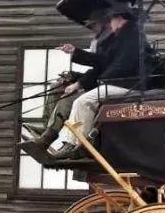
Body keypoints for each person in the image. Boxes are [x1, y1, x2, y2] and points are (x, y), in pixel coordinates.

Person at [46, 6, 154, 161]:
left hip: (129, 86)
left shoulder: (130, 38)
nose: (110, 24)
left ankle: (79, 146)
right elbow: (105, 62)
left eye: (111, 20)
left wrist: (99, 80)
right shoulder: (125, 37)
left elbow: (118, 66)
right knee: (81, 100)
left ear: (120, 19)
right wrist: (76, 55)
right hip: (122, 84)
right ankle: (69, 142)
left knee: (83, 102)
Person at [19, 13, 110, 157]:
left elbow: (101, 69)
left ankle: (49, 138)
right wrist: (73, 76)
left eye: (94, 25)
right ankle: (47, 128)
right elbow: (96, 70)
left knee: (68, 98)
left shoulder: (110, 42)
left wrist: (78, 84)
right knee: (57, 87)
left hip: (105, 86)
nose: (92, 28)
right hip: (96, 82)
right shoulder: (99, 40)